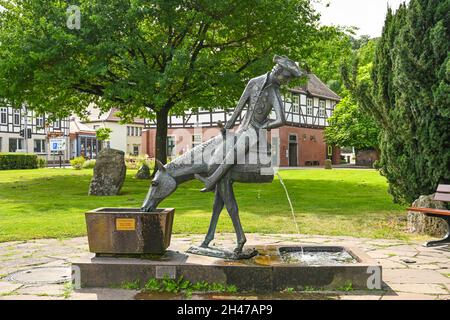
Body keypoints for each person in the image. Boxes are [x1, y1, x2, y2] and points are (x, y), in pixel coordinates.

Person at [195, 55, 303, 192]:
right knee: (223, 148)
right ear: (277, 71)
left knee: (234, 152)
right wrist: (228, 127)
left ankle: (211, 181)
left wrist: (264, 126)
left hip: (254, 132)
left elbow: (282, 120)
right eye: (286, 78)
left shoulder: (274, 92)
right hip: (242, 127)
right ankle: (218, 180)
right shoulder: (254, 82)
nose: (286, 83)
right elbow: (239, 107)